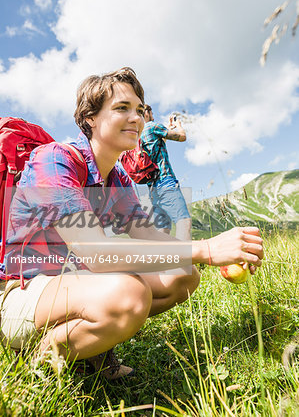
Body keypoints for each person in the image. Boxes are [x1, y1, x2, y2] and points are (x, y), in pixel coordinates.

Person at [0, 68, 264, 379]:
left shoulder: (117, 178)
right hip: (21, 291)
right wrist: (205, 248)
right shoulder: (55, 160)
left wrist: (213, 252)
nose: (136, 118)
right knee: (129, 294)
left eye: (139, 110)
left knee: (183, 276)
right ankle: (34, 363)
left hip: (72, 283)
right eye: (122, 108)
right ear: (90, 119)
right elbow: (96, 254)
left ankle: (87, 345)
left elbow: (148, 233)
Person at [140, 106, 191, 240]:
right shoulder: (152, 126)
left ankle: (162, 259)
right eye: (151, 112)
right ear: (145, 113)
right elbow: (182, 137)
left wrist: (168, 128)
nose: (153, 115)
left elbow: (155, 146)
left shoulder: (138, 135)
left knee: (163, 229)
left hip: (153, 190)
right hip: (165, 182)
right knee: (183, 221)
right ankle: (184, 260)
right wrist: (179, 126)